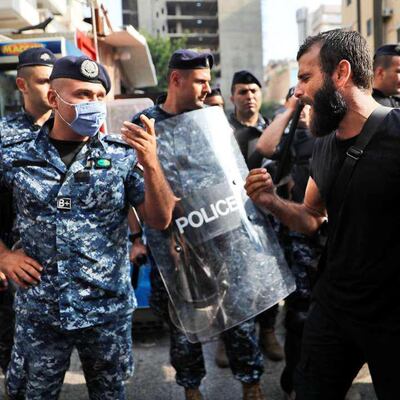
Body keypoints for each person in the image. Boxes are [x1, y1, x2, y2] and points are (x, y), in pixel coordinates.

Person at [0, 55, 175, 400]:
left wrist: (152, 164)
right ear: (54, 99)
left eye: (98, 96)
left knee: (109, 395)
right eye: (81, 95)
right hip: (41, 311)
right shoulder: (13, 155)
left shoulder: (123, 155)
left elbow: (160, 218)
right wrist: (3, 256)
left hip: (105, 309)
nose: (92, 104)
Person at [245, 28, 400, 400]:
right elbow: (313, 216)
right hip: (334, 308)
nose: (298, 92)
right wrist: (272, 203)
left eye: (304, 77)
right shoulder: (325, 146)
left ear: (341, 73)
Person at [131, 49, 266, 400]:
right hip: (171, 244)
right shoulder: (144, 124)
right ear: (177, 80)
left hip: (221, 236)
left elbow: (228, 177)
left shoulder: (211, 120)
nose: (208, 89)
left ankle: (251, 383)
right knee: (184, 325)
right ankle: (191, 389)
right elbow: (134, 191)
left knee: (239, 318)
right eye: (201, 81)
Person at [256, 89, 322, 399]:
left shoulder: (333, 134)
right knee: (300, 314)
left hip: (334, 235)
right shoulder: (294, 138)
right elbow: (265, 146)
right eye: (304, 105)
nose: (308, 111)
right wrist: (290, 110)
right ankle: (294, 381)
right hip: (301, 235)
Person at [0, 47, 56, 376]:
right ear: (22, 85)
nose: (51, 89)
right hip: (17, 276)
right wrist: (3, 257)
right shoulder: (3, 136)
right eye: (43, 81)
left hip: (65, 278)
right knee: (18, 369)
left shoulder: (73, 132)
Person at [229, 70, 284, 362]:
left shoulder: (273, 129)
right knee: (232, 279)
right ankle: (231, 337)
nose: (249, 97)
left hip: (268, 214)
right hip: (231, 216)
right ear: (232, 97)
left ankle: (268, 331)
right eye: (242, 92)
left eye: (253, 91)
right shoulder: (222, 130)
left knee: (269, 276)